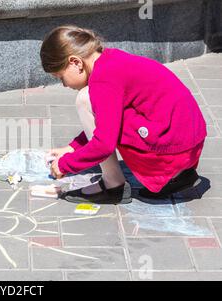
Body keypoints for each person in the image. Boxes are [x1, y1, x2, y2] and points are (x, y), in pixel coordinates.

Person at [41, 25, 207, 204]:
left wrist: (65, 164)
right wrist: (73, 147)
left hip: (171, 150)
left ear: (76, 62)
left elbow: (103, 144)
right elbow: (109, 116)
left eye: (60, 77)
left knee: (84, 98)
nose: (64, 85)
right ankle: (179, 175)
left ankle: (113, 186)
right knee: (100, 108)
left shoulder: (103, 80)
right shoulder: (110, 59)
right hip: (188, 144)